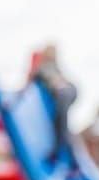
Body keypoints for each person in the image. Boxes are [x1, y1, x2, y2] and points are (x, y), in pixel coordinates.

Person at [32, 43, 80, 171]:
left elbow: (34, 80)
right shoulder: (45, 66)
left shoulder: (48, 67)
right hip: (69, 91)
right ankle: (56, 153)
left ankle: (72, 164)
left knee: (61, 126)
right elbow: (34, 79)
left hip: (64, 92)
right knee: (58, 123)